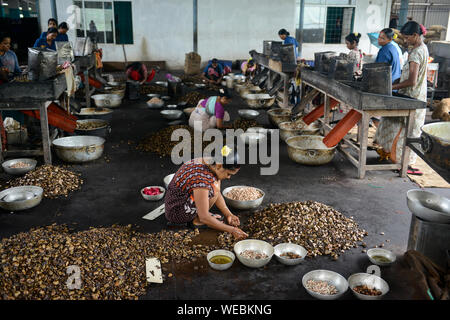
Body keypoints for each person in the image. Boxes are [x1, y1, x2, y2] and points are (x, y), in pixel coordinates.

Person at [374, 21, 429, 173]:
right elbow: (405, 75)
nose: (405, 41)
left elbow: (411, 80)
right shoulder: (420, 48)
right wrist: (392, 83)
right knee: (391, 123)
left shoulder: (417, 53)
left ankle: (402, 163)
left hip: (412, 97)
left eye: (407, 38)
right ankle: (393, 156)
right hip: (411, 94)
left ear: (415, 35)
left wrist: (391, 87)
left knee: (406, 132)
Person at [165, 146, 248, 240]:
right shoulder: (202, 179)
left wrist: (228, 214)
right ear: (219, 165)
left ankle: (201, 214)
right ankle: (198, 220)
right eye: (228, 174)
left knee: (214, 184)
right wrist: (232, 230)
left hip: (181, 201)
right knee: (213, 187)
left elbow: (216, 192)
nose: (229, 177)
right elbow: (204, 215)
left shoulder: (210, 162)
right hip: (176, 212)